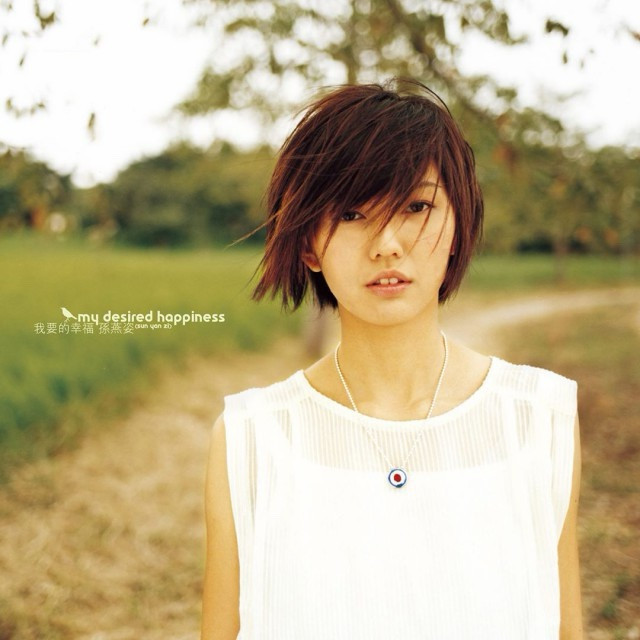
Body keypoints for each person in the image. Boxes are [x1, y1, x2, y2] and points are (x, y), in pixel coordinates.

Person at [201, 79, 583, 640]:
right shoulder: (252, 438)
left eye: (415, 206)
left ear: (457, 227)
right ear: (307, 244)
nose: (387, 244)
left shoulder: (537, 418)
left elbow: (564, 626)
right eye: (351, 213)